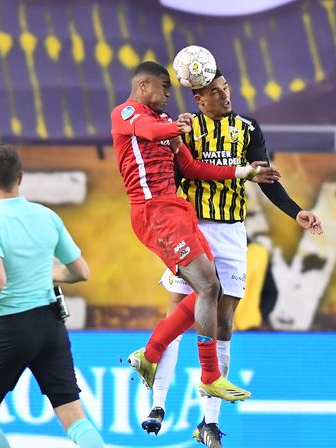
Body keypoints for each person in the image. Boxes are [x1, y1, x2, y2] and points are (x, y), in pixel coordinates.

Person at [140, 70, 324, 448]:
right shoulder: (186, 129)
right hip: (192, 228)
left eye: (225, 89)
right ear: (199, 99)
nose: (224, 96)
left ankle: (208, 422)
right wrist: (172, 138)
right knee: (178, 311)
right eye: (214, 91)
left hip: (232, 232)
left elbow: (266, 178)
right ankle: (157, 403)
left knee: (223, 321)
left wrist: (296, 212)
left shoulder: (248, 128)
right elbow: (172, 174)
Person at [0, 144, 127, 448]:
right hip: (51, 325)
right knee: (73, 416)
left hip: (10, 329)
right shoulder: (46, 216)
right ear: (20, 178)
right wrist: (44, 273)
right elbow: (80, 272)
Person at [110, 61, 279, 403]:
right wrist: (176, 127)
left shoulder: (163, 121)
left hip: (176, 209)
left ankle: (150, 354)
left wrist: (242, 173)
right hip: (153, 211)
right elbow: (150, 131)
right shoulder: (127, 114)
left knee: (212, 288)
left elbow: (191, 167)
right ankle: (209, 376)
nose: (168, 95)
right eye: (164, 88)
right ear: (143, 87)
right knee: (208, 287)